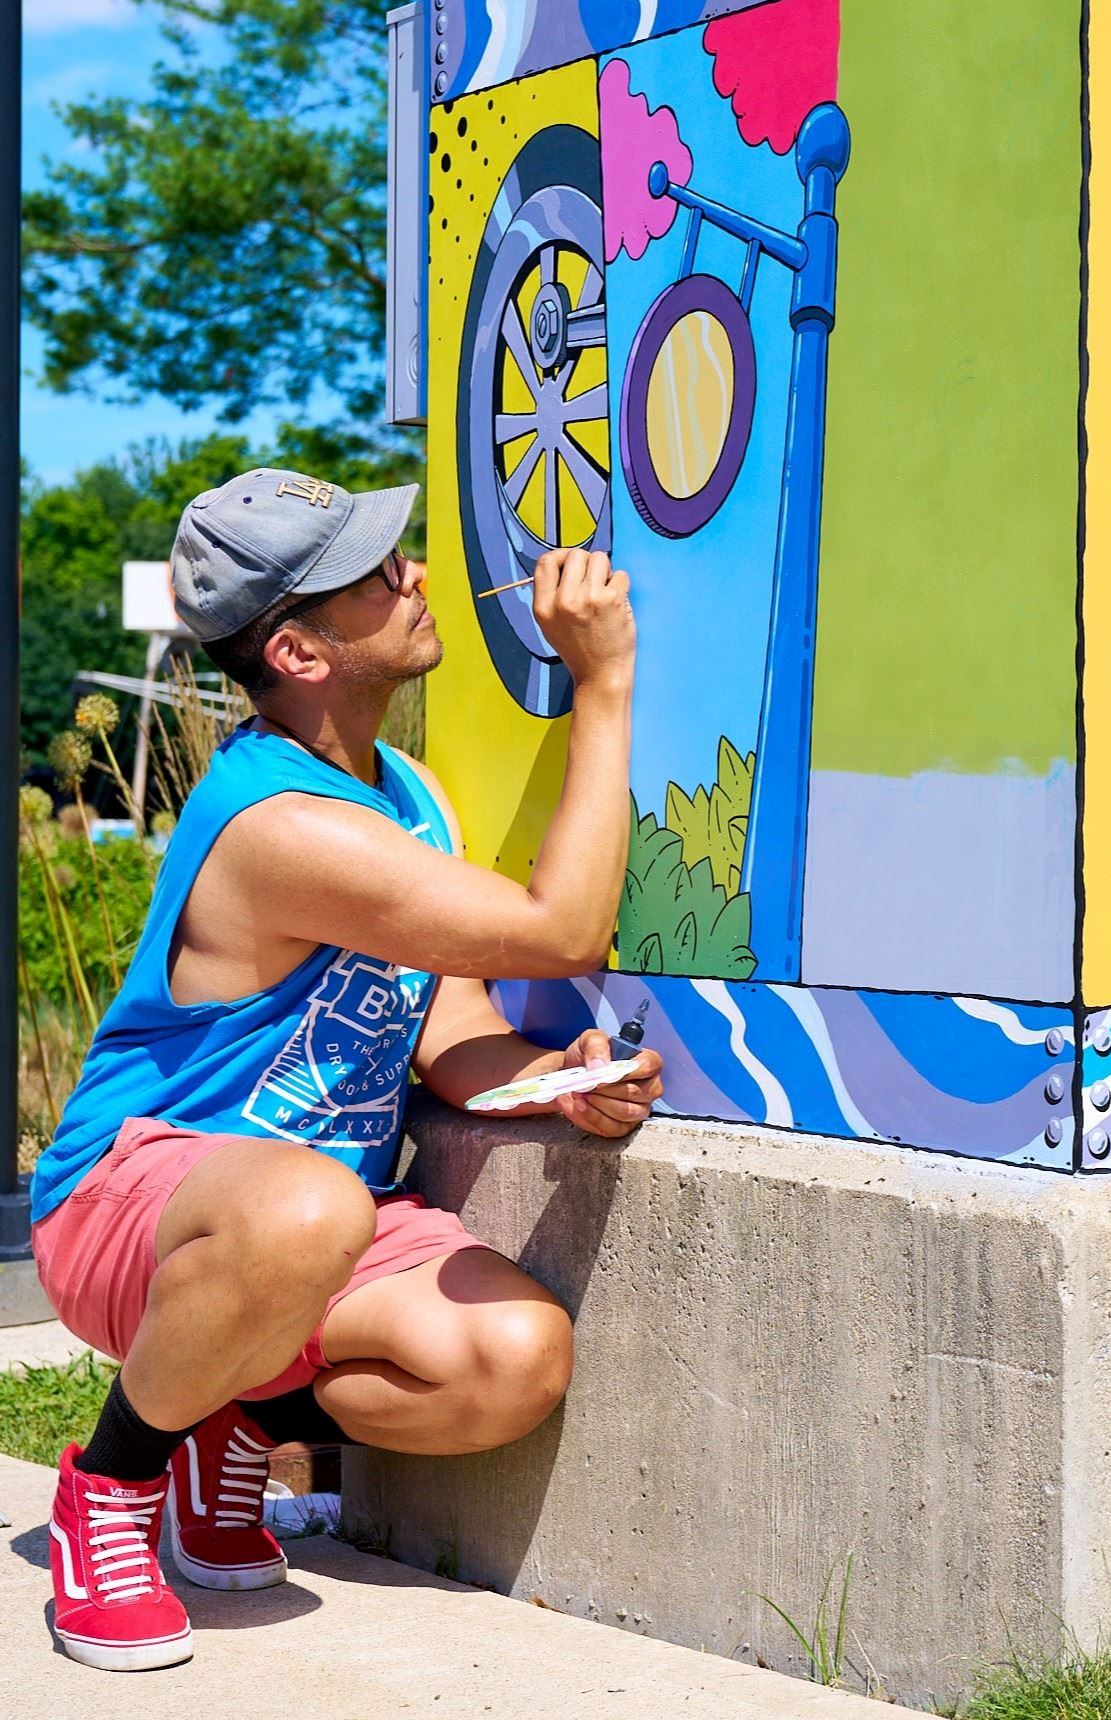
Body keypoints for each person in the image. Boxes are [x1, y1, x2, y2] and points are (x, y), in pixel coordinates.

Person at [28, 466, 659, 1672]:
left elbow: (446, 1024)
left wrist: (551, 1080)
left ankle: (233, 1416)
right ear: (301, 651)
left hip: (307, 1221)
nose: (414, 572)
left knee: (514, 1360)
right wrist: (605, 681)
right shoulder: (281, 823)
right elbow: (563, 930)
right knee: (313, 1199)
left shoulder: (407, 798)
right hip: (139, 1201)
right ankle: (110, 1486)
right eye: (375, 573)